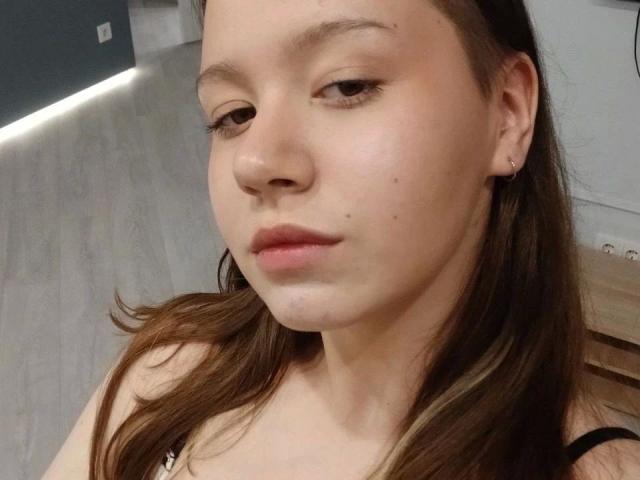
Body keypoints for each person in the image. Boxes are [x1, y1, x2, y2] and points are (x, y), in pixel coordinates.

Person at [43, 1, 640, 479]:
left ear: (507, 114)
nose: (255, 161)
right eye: (234, 114)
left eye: (347, 85)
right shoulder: (164, 378)